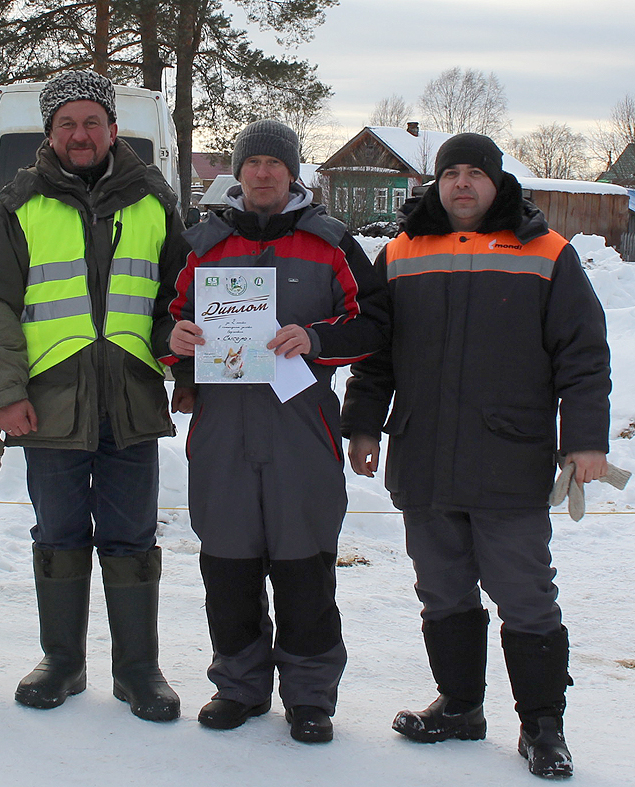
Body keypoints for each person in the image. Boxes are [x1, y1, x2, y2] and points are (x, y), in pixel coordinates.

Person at [341, 133, 611, 778]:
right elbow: (377, 353)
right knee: (441, 590)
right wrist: (363, 426)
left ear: (497, 183)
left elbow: (583, 354)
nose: (462, 184)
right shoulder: (403, 253)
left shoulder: (546, 252)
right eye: (450, 173)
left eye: (475, 174)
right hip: (424, 452)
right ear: (436, 184)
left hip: (508, 455)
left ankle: (543, 725)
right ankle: (460, 707)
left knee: (524, 594)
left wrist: (585, 440)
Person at [158, 119, 390, 742]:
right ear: (238, 171)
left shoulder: (332, 242)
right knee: (227, 565)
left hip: (302, 430)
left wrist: (315, 338)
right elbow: (163, 318)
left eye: (275, 164)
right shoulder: (200, 243)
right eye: (252, 162)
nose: (263, 173)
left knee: (304, 565)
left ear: (293, 173)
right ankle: (239, 687)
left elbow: (373, 323)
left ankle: (310, 697)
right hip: (221, 433)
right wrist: (173, 344)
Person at [0, 70, 183, 722]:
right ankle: (63, 660)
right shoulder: (21, 204)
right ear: (50, 133)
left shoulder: (153, 200)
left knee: (132, 536)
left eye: (91, 122)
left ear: (113, 130)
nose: (80, 134)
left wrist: (185, 350)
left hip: (132, 402)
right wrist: (5, 395)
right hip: (49, 403)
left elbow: (178, 301)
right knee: (57, 534)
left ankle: (137, 669)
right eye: (67, 124)